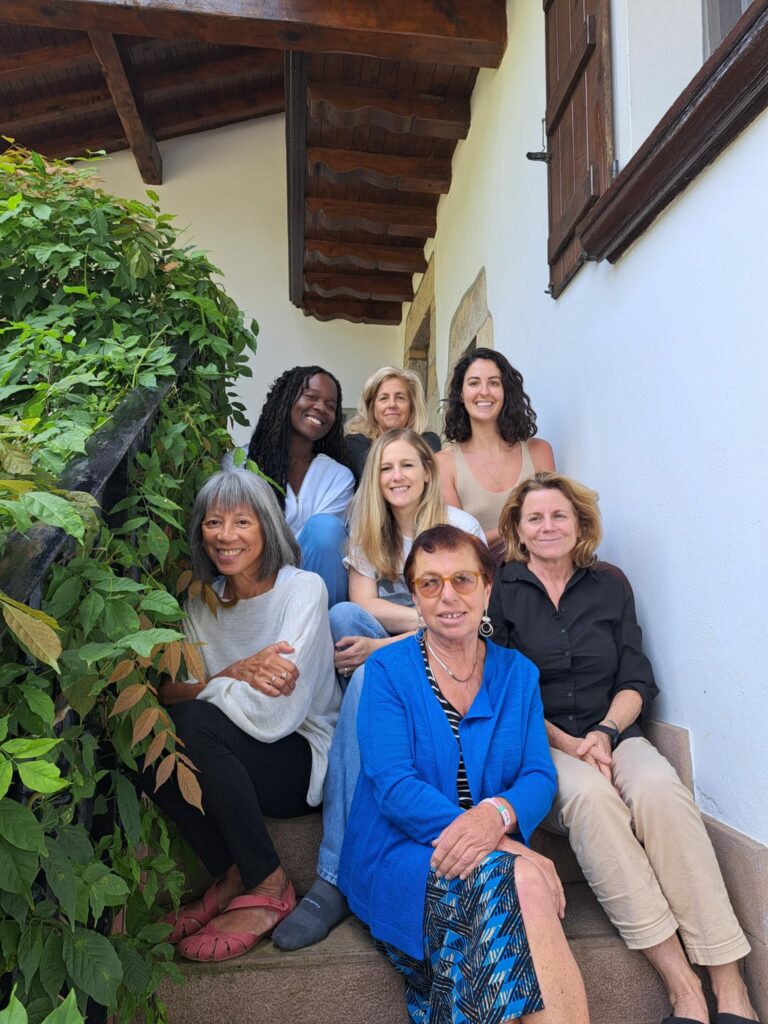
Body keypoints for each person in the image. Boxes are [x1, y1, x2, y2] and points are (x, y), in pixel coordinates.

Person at [489, 473, 759, 1024]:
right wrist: (573, 744)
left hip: (613, 731)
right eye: (534, 517)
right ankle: (682, 985)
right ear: (517, 528)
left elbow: (636, 676)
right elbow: (508, 693)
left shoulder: (610, 584)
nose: (547, 527)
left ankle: (732, 989)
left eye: (559, 515)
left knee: (661, 790)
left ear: (580, 522)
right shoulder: (503, 591)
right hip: (546, 744)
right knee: (591, 799)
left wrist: (606, 732)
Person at [338, 525, 590, 1024]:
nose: (448, 595)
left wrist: (496, 817)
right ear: (414, 595)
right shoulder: (387, 671)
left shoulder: (518, 674)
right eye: (430, 583)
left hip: (486, 858)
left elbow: (538, 774)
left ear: (487, 588)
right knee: (523, 877)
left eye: (463, 580)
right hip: (405, 857)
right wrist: (501, 841)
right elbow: (394, 786)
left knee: (517, 884)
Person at [272, 430, 485, 951]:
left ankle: (331, 878)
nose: (396, 477)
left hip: (450, 668)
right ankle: (371, 716)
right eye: (386, 468)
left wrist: (396, 643)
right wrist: (423, 620)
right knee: (344, 614)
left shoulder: (459, 529)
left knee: (368, 676)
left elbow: (474, 622)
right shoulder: (370, 529)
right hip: (400, 656)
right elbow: (363, 604)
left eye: (407, 466)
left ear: (428, 472)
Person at [142, 470, 340, 963]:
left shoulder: (303, 589)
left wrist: (208, 687)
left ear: (266, 527)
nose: (226, 535)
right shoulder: (200, 603)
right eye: (213, 522)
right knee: (147, 736)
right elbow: (169, 690)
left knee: (192, 724)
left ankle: (269, 881)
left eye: (241, 521)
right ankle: (231, 874)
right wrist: (236, 672)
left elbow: (278, 713)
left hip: (299, 758)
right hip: (230, 754)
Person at [244, 365, 354, 606]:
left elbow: (322, 549)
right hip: (255, 587)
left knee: (325, 528)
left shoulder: (338, 476)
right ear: (287, 398)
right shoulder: (242, 463)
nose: (320, 408)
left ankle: (321, 632)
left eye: (330, 406)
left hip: (319, 597)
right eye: (311, 397)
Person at [435, 348, 554, 562]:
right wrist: (518, 530)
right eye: (473, 383)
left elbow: (551, 520)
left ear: (506, 391)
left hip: (539, 567)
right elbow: (458, 540)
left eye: (494, 382)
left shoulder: (539, 451)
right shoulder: (443, 463)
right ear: (461, 394)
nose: (484, 391)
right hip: (480, 575)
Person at [344, 366, 441, 484]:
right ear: (371, 407)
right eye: (384, 398)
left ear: (412, 406)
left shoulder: (428, 441)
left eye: (400, 398)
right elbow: (372, 480)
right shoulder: (355, 444)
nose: (392, 404)